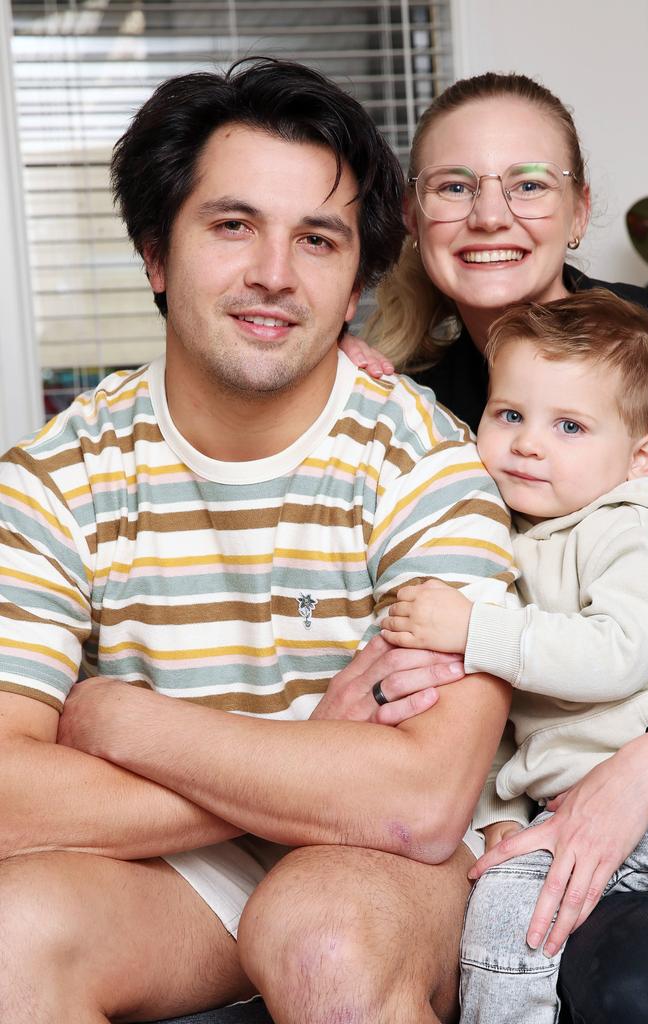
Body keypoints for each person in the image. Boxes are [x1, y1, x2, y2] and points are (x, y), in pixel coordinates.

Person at [0, 57, 518, 1024]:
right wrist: (309, 757)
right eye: (232, 225)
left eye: (317, 239)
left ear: (358, 283)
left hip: (390, 873)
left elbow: (418, 800)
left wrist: (127, 724)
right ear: (157, 254)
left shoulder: (426, 464)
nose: (273, 275)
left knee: (323, 936)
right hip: (176, 882)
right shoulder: (52, 477)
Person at [347, 70, 648, 1022]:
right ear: (414, 218)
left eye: (528, 182)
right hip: (567, 813)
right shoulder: (413, 422)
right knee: (633, 991)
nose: (490, 212)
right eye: (454, 185)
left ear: (579, 211)